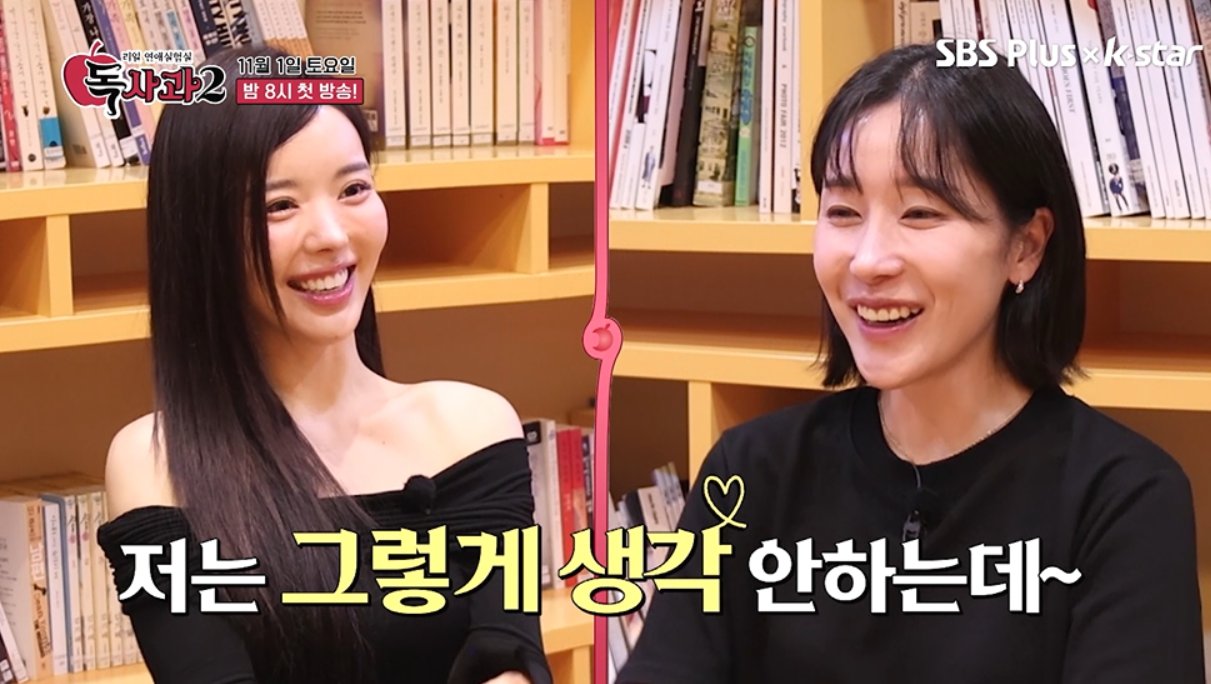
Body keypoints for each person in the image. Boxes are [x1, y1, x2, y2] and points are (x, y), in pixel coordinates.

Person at [616, 43, 1203, 683]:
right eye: (843, 212)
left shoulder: (1123, 499)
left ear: (1026, 247)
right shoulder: (750, 473)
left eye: (921, 213)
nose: (869, 260)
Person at [97, 44, 550, 684]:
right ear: (202, 236)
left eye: (354, 189)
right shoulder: (154, 462)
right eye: (279, 205)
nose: (333, 236)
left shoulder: (475, 428)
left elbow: (510, 659)